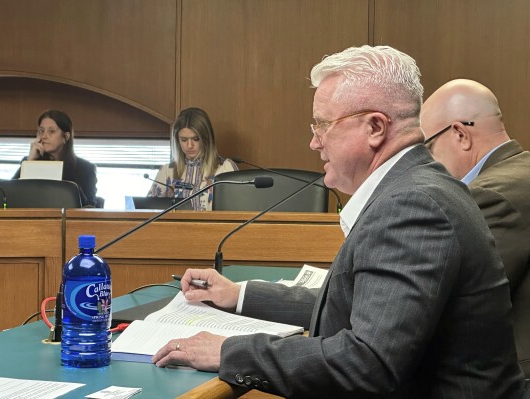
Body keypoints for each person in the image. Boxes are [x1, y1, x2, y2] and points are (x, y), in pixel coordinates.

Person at [151, 46, 525, 398]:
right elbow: (359, 304)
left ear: (375, 128)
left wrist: (231, 351)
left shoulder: (413, 205)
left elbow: (368, 362)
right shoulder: (414, 188)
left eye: (322, 125)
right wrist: (241, 295)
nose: (314, 143)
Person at [421, 78, 530, 377]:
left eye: (428, 146)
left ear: (460, 134)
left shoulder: (490, 194)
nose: (428, 161)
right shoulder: (521, 173)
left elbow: (457, 302)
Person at [147, 107, 237, 210]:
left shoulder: (225, 168)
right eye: (184, 140)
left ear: (206, 138)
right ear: (177, 140)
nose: (189, 145)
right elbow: (149, 211)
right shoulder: (167, 171)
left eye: (196, 139)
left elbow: (237, 208)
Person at [12, 109, 97, 207]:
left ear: (66, 136)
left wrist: (70, 189)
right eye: (41, 131)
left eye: (51, 131)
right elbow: (8, 196)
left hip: (69, 220)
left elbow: (90, 207)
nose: (44, 136)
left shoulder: (85, 168)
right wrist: (30, 161)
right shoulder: (29, 162)